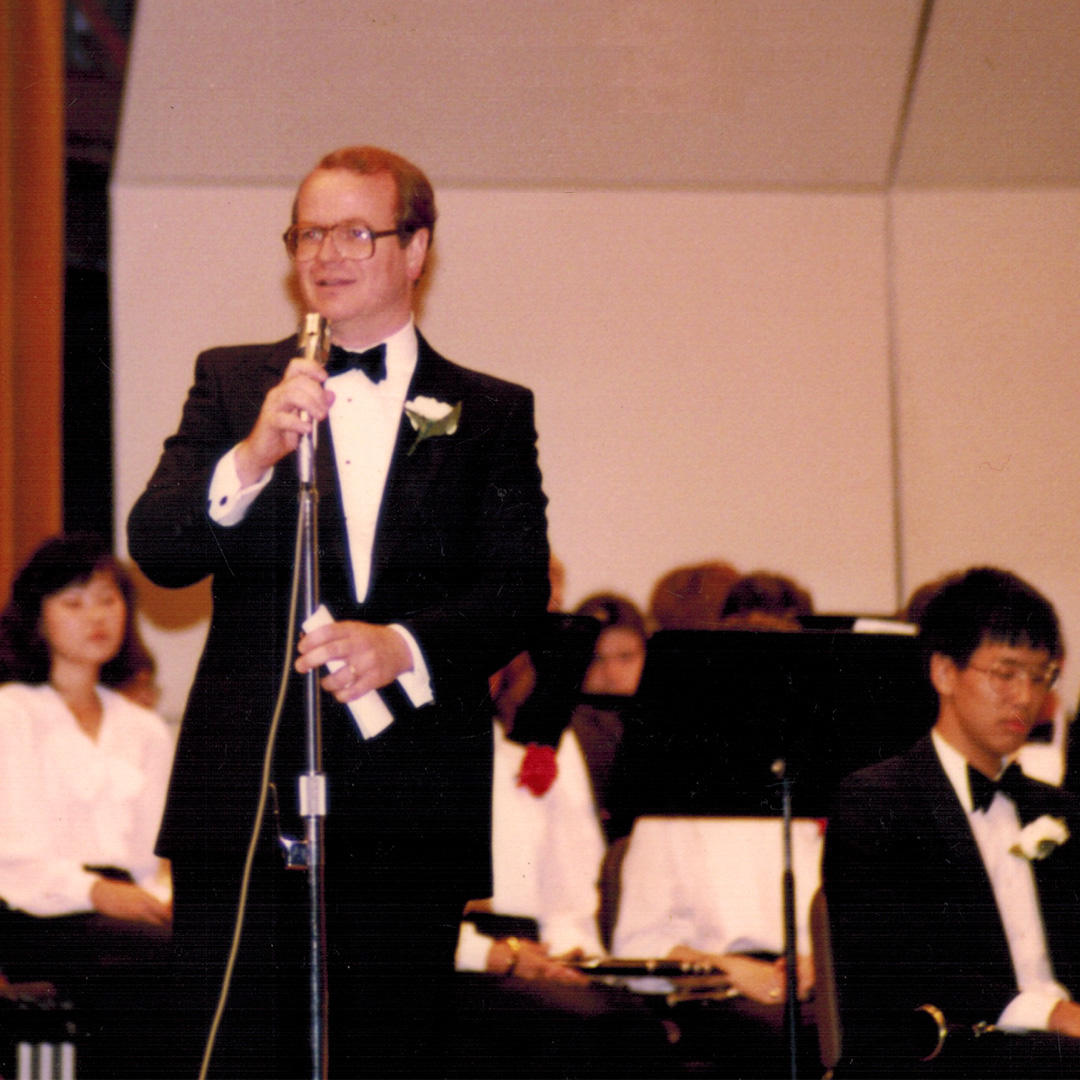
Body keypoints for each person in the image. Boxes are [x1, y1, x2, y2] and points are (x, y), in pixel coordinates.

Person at [127, 145, 550, 1076]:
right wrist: (250, 456)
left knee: (387, 1055)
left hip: (410, 796)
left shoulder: (487, 411)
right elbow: (157, 547)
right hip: (245, 796)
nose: (327, 252)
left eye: (357, 230)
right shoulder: (235, 381)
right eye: (308, 232)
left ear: (416, 248)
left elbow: (519, 589)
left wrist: (402, 645)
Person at [823, 567, 1080, 1077]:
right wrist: (1048, 1011)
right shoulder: (876, 801)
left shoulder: (1060, 809)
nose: (1025, 697)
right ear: (943, 673)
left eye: (1040, 676)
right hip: (953, 1051)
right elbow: (898, 967)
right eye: (1005, 673)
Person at [0, 534, 174, 1078]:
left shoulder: (144, 728)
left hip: (126, 903)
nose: (96, 616)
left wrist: (162, 900)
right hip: (34, 911)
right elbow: (14, 857)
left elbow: (154, 859)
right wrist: (98, 891)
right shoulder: (12, 713)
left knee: (221, 948)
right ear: (36, 618)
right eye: (73, 603)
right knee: (164, 960)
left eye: (108, 599)